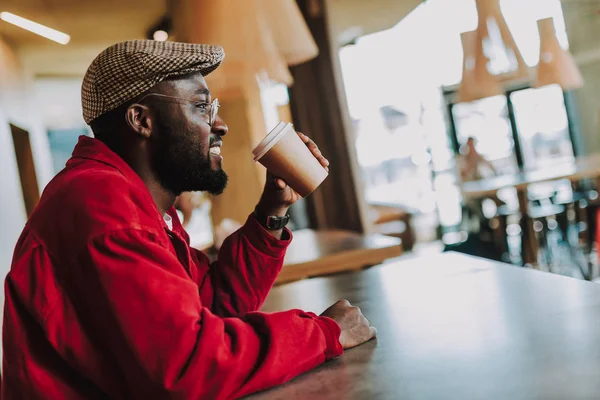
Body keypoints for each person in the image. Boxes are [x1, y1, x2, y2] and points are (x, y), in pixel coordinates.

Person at [2, 40, 376, 399]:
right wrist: (325, 333)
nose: (221, 126)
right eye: (201, 108)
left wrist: (271, 212)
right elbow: (189, 367)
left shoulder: (141, 205)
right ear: (141, 120)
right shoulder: (103, 206)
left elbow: (215, 306)